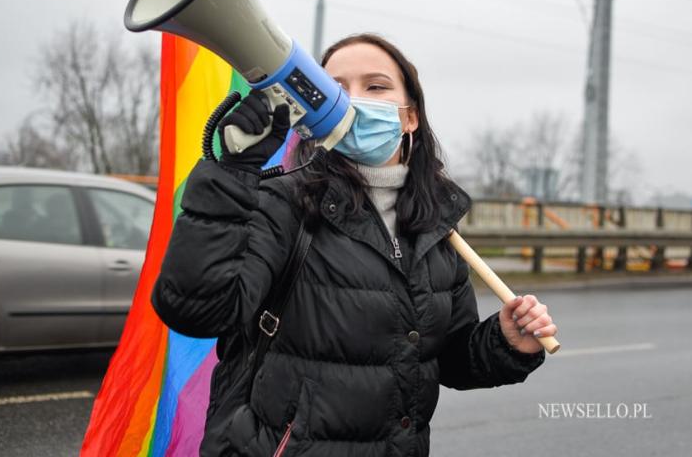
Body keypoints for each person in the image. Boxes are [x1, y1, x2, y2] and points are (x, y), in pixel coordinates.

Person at [152, 33, 557, 456]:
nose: (353, 101)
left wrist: (504, 342)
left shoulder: (437, 226)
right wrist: (233, 174)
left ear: (410, 117)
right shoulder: (282, 203)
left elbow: (445, 359)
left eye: (376, 86)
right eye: (335, 89)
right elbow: (197, 310)